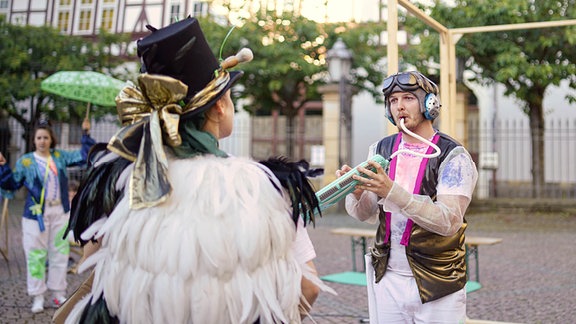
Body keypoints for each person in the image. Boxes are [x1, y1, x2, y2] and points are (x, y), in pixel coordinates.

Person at [60, 17, 331, 324]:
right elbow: (307, 287)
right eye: (229, 96)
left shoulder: (120, 178)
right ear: (218, 107)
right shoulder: (263, 189)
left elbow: (93, 268)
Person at [337, 71, 478, 323]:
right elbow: (365, 214)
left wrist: (392, 191)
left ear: (429, 104)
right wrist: (357, 192)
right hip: (387, 276)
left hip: (438, 280)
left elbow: (449, 221)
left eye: (408, 98)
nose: (399, 106)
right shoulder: (380, 149)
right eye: (392, 100)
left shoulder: (452, 155)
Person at [0, 118, 95, 313]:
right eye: (39, 138)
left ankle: (58, 294)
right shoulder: (26, 161)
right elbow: (12, 184)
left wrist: (85, 134)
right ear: (34, 140)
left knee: (60, 253)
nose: (42, 141)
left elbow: (85, 156)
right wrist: (2, 167)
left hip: (59, 213)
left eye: (46, 137)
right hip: (35, 217)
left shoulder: (59, 157)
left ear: (52, 139)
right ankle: (37, 296)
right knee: (35, 255)